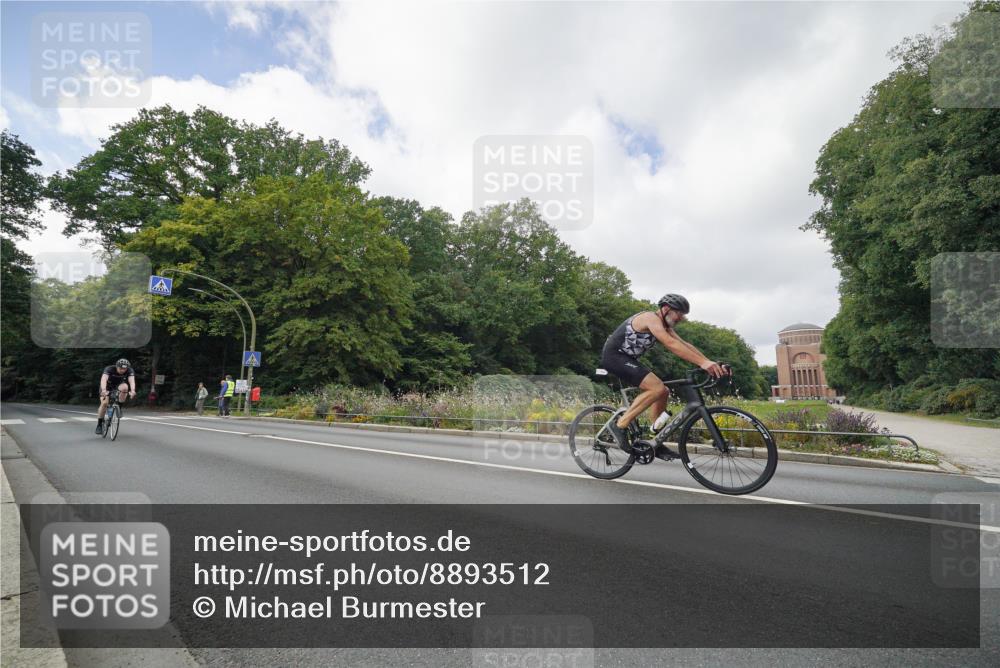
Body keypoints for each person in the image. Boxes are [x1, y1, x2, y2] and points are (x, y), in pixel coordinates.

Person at [600, 293, 728, 448]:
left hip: (628, 359)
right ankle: (619, 425)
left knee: (664, 391)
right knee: (656, 388)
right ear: (666, 309)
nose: (681, 318)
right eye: (679, 314)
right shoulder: (650, 318)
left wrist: (709, 363)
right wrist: (702, 363)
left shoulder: (665, 326)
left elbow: (684, 344)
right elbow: (670, 344)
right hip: (614, 357)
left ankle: (655, 439)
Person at [96, 358, 137, 434]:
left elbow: (132, 381)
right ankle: (99, 425)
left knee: (125, 387)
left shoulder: (129, 370)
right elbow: (103, 379)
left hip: (118, 386)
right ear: (116, 366)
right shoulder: (109, 369)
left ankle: (119, 408)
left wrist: (133, 391)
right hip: (107, 386)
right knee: (104, 403)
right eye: (120, 368)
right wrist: (104, 390)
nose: (123, 370)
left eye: (124, 369)